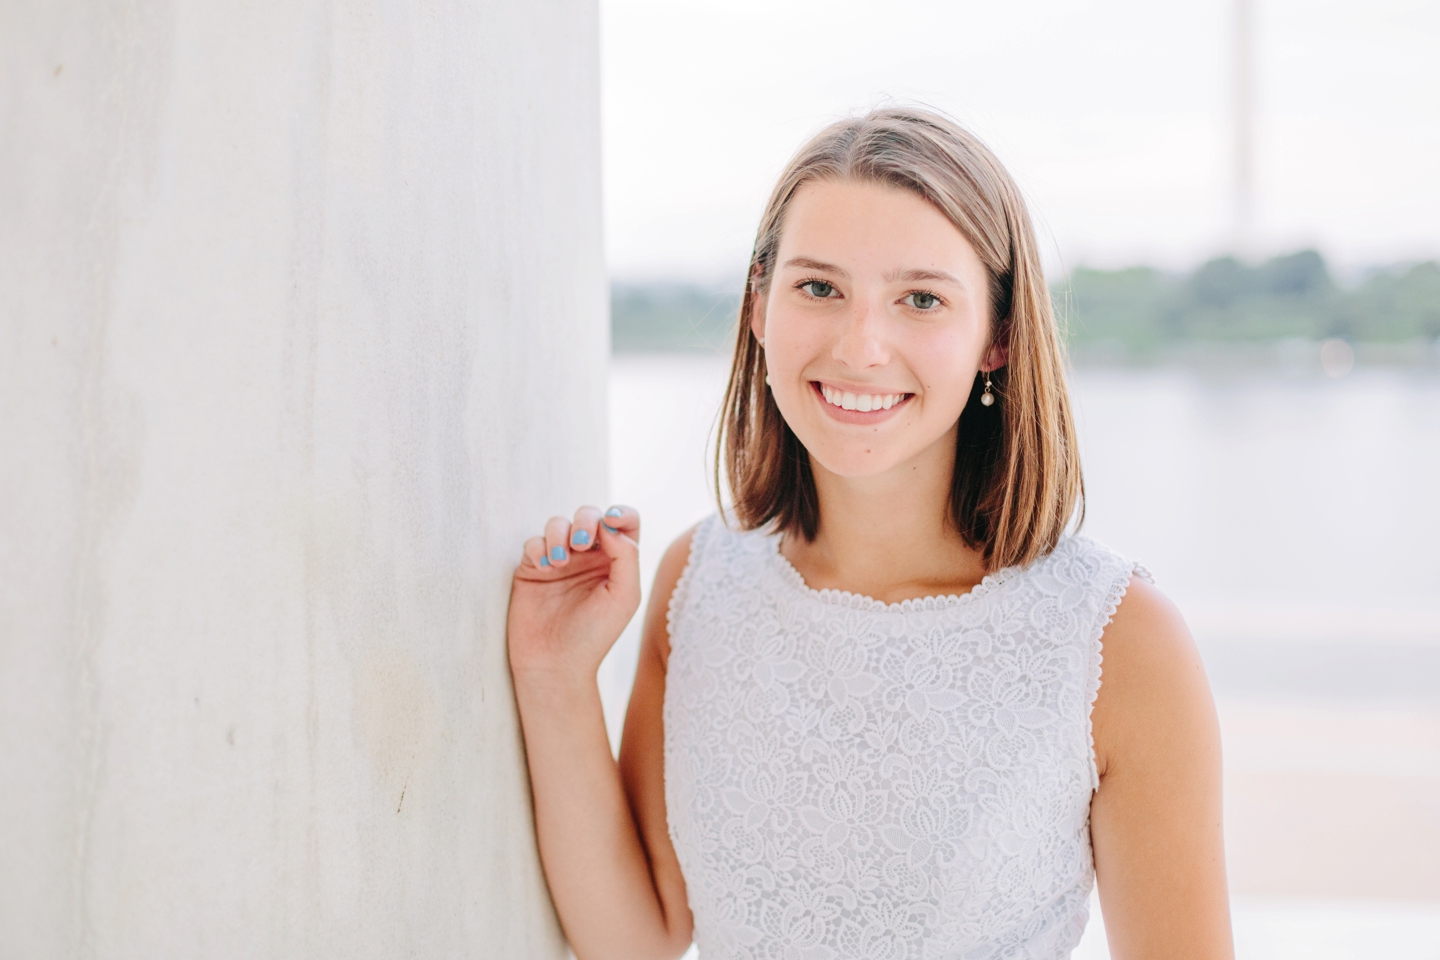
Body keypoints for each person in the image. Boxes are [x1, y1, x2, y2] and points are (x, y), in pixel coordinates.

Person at [507, 108, 1232, 960]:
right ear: (759, 306)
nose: (862, 346)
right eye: (819, 288)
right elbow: (643, 937)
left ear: (996, 336)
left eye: (920, 299)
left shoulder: (1116, 638)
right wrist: (555, 677)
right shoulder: (697, 583)